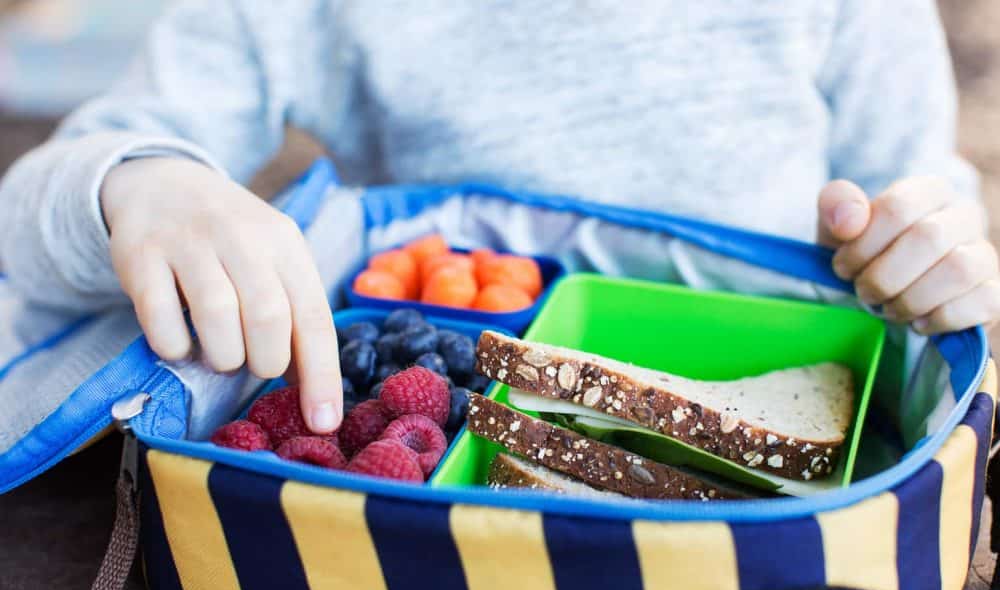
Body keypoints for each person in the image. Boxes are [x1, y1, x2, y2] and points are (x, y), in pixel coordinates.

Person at [0, 1, 996, 435]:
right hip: (460, 443)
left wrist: (935, 250)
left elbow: (922, 188)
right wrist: (141, 181)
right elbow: (34, 211)